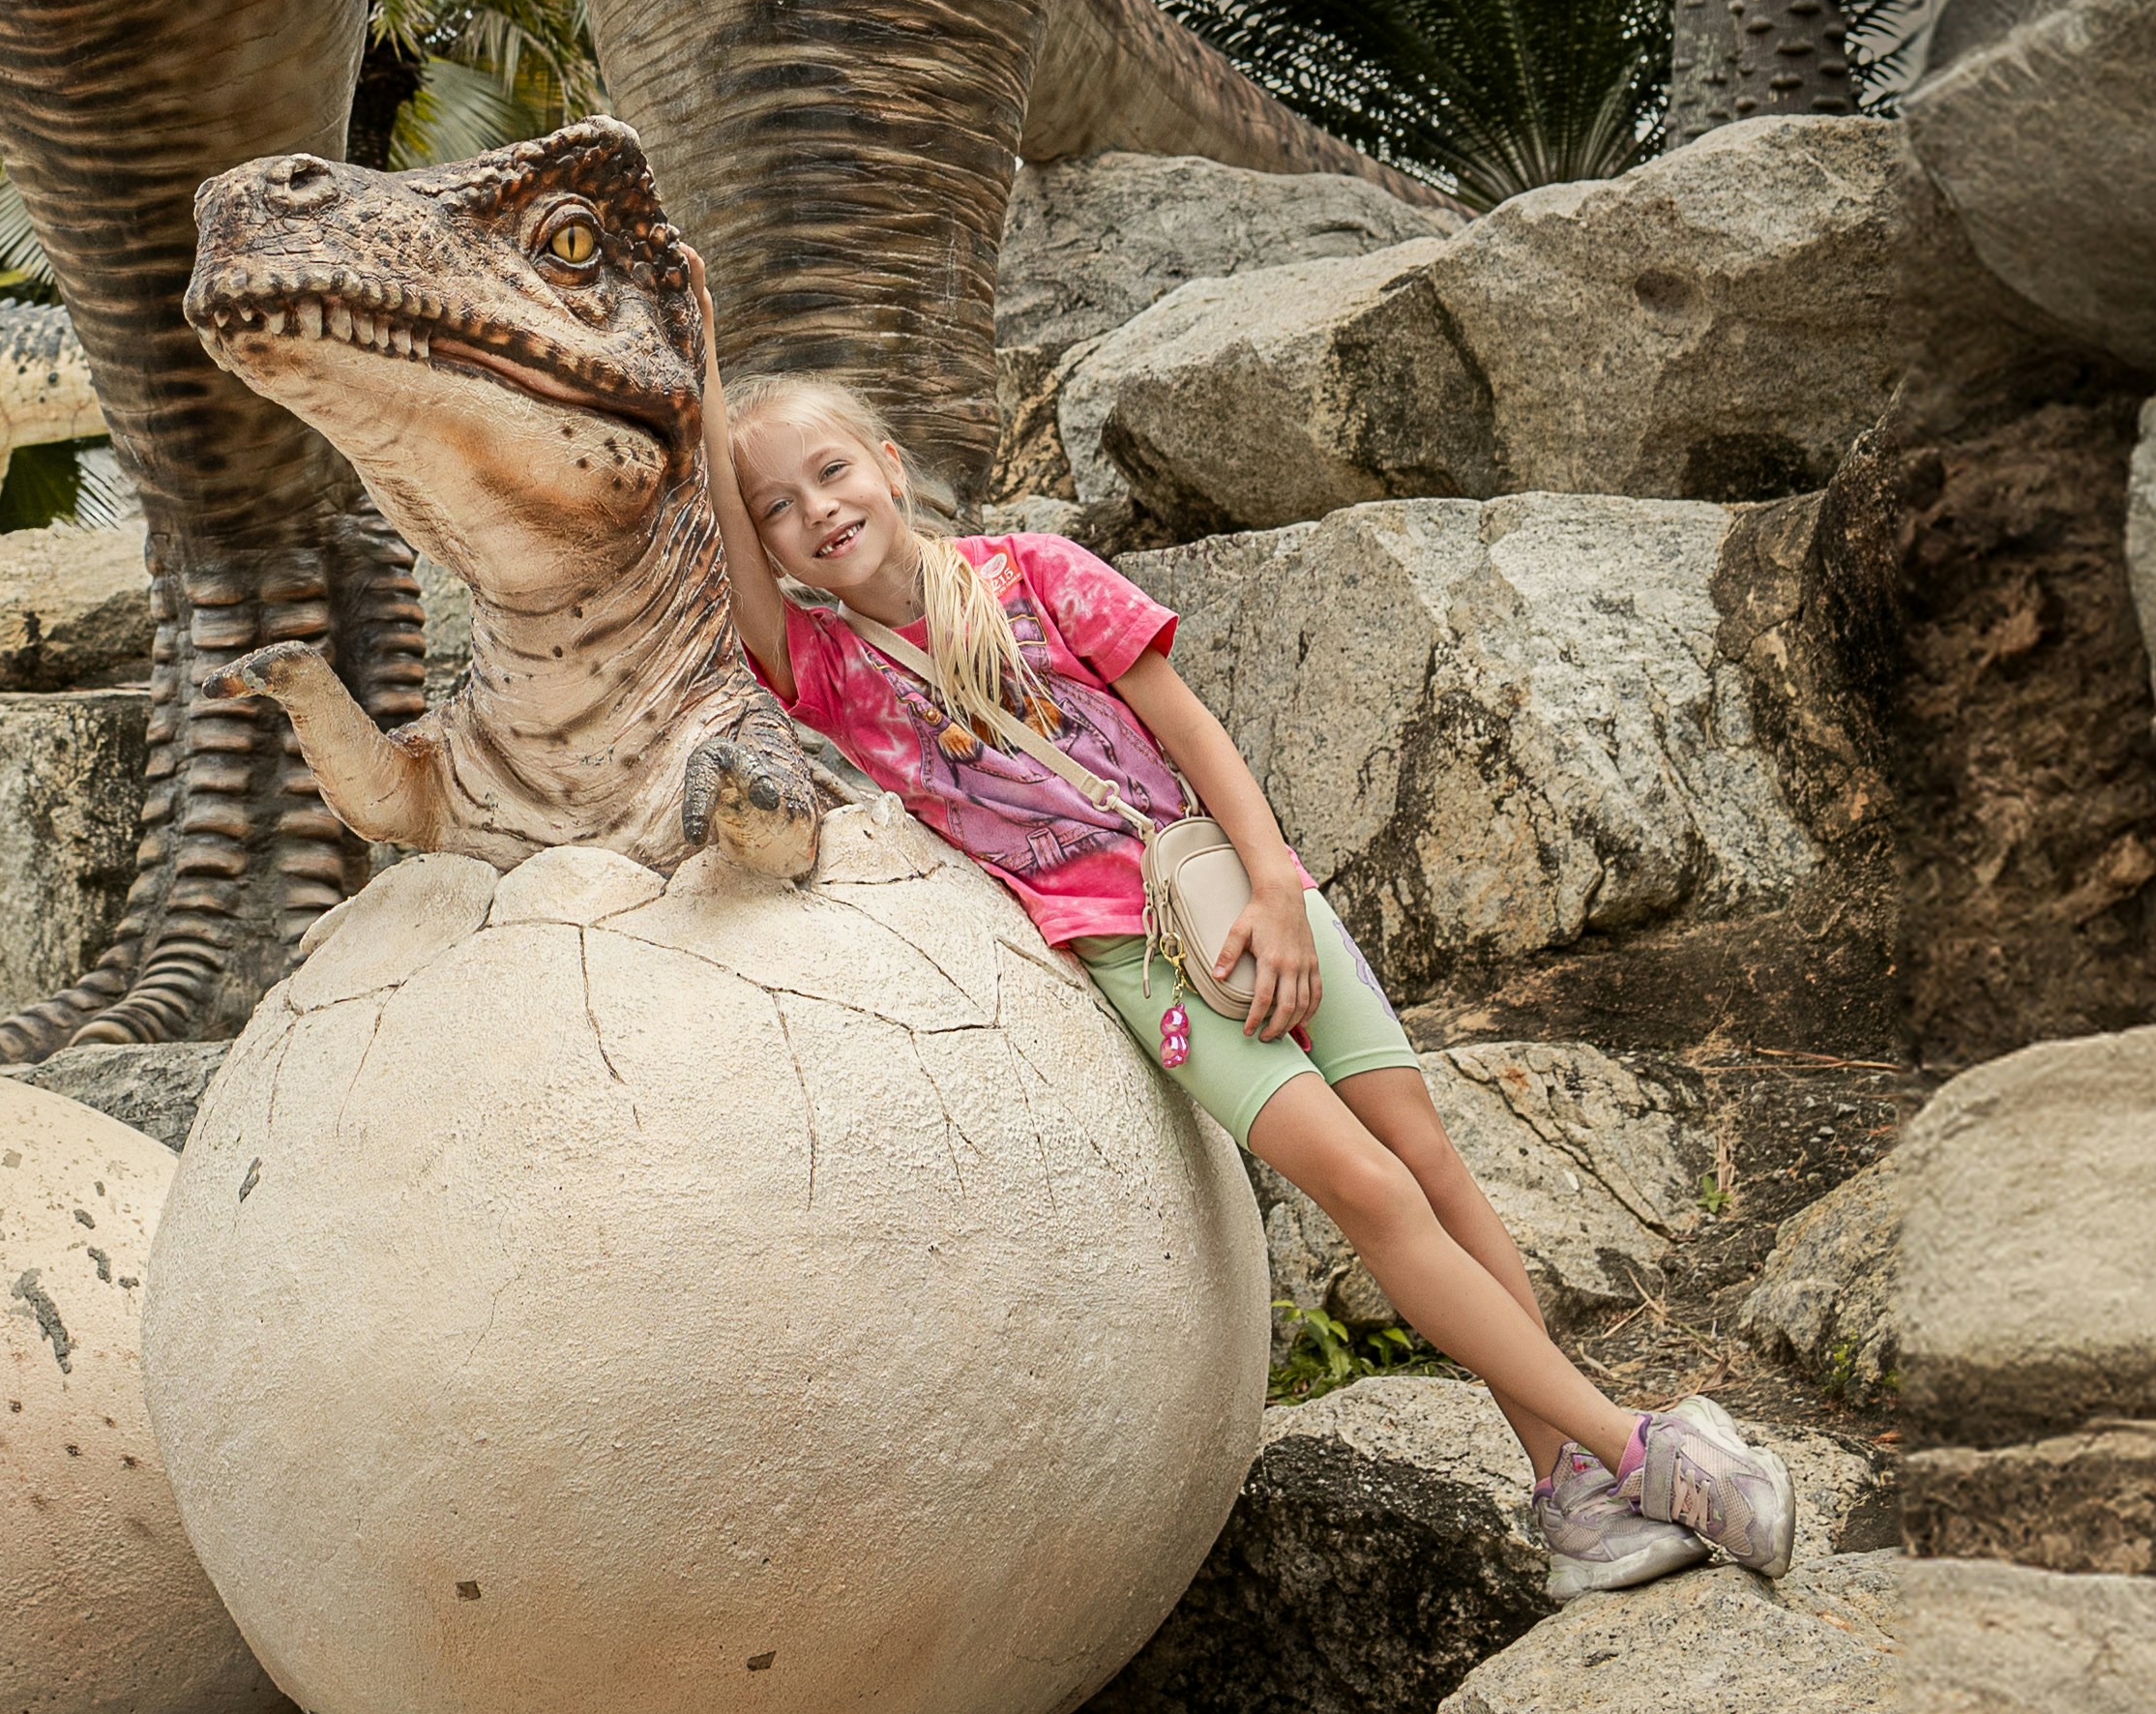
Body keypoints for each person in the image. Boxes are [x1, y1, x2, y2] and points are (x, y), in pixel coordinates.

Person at [695, 337, 1795, 1600]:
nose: (812, 511)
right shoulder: (826, 672)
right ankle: (1643, 1455)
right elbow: (724, 540)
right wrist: (704, 350)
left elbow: (1187, 727)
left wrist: (1277, 890)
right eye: (776, 506)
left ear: (887, 467)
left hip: (1241, 886)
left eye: (830, 471)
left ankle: (1569, 1491)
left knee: (1429, 1160)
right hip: (1132, 952)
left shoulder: (1033, 574)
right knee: (1370, 1193)